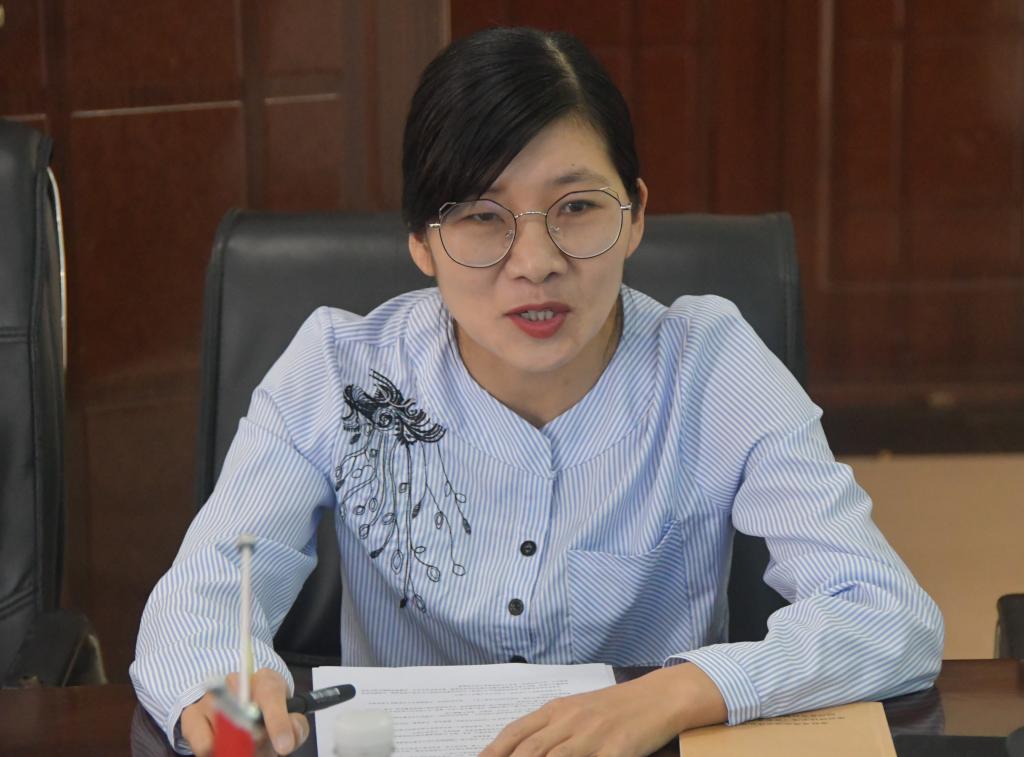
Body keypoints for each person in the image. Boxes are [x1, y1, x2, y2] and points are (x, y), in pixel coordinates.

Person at [131, 26, 943, 757]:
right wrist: (222, 690)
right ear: (421, 242)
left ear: (635, 216)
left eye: (577, 207)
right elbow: (206, 596)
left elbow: (887, 614)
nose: (536, 262)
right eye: (483, 217)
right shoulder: (342, 369)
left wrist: (676, 691)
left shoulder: (711, 364)